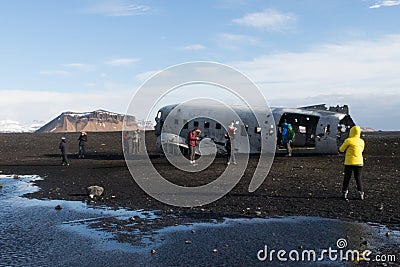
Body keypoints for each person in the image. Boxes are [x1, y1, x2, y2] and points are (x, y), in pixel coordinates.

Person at [339, 125, 365, 201]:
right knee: (358, 178)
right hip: (359, 162)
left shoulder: (349, 140)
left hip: (349, 162)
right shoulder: (361, 141)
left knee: (347, 178)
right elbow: (362, 150)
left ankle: (344, 193)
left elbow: (341, 149)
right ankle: (361, 193)